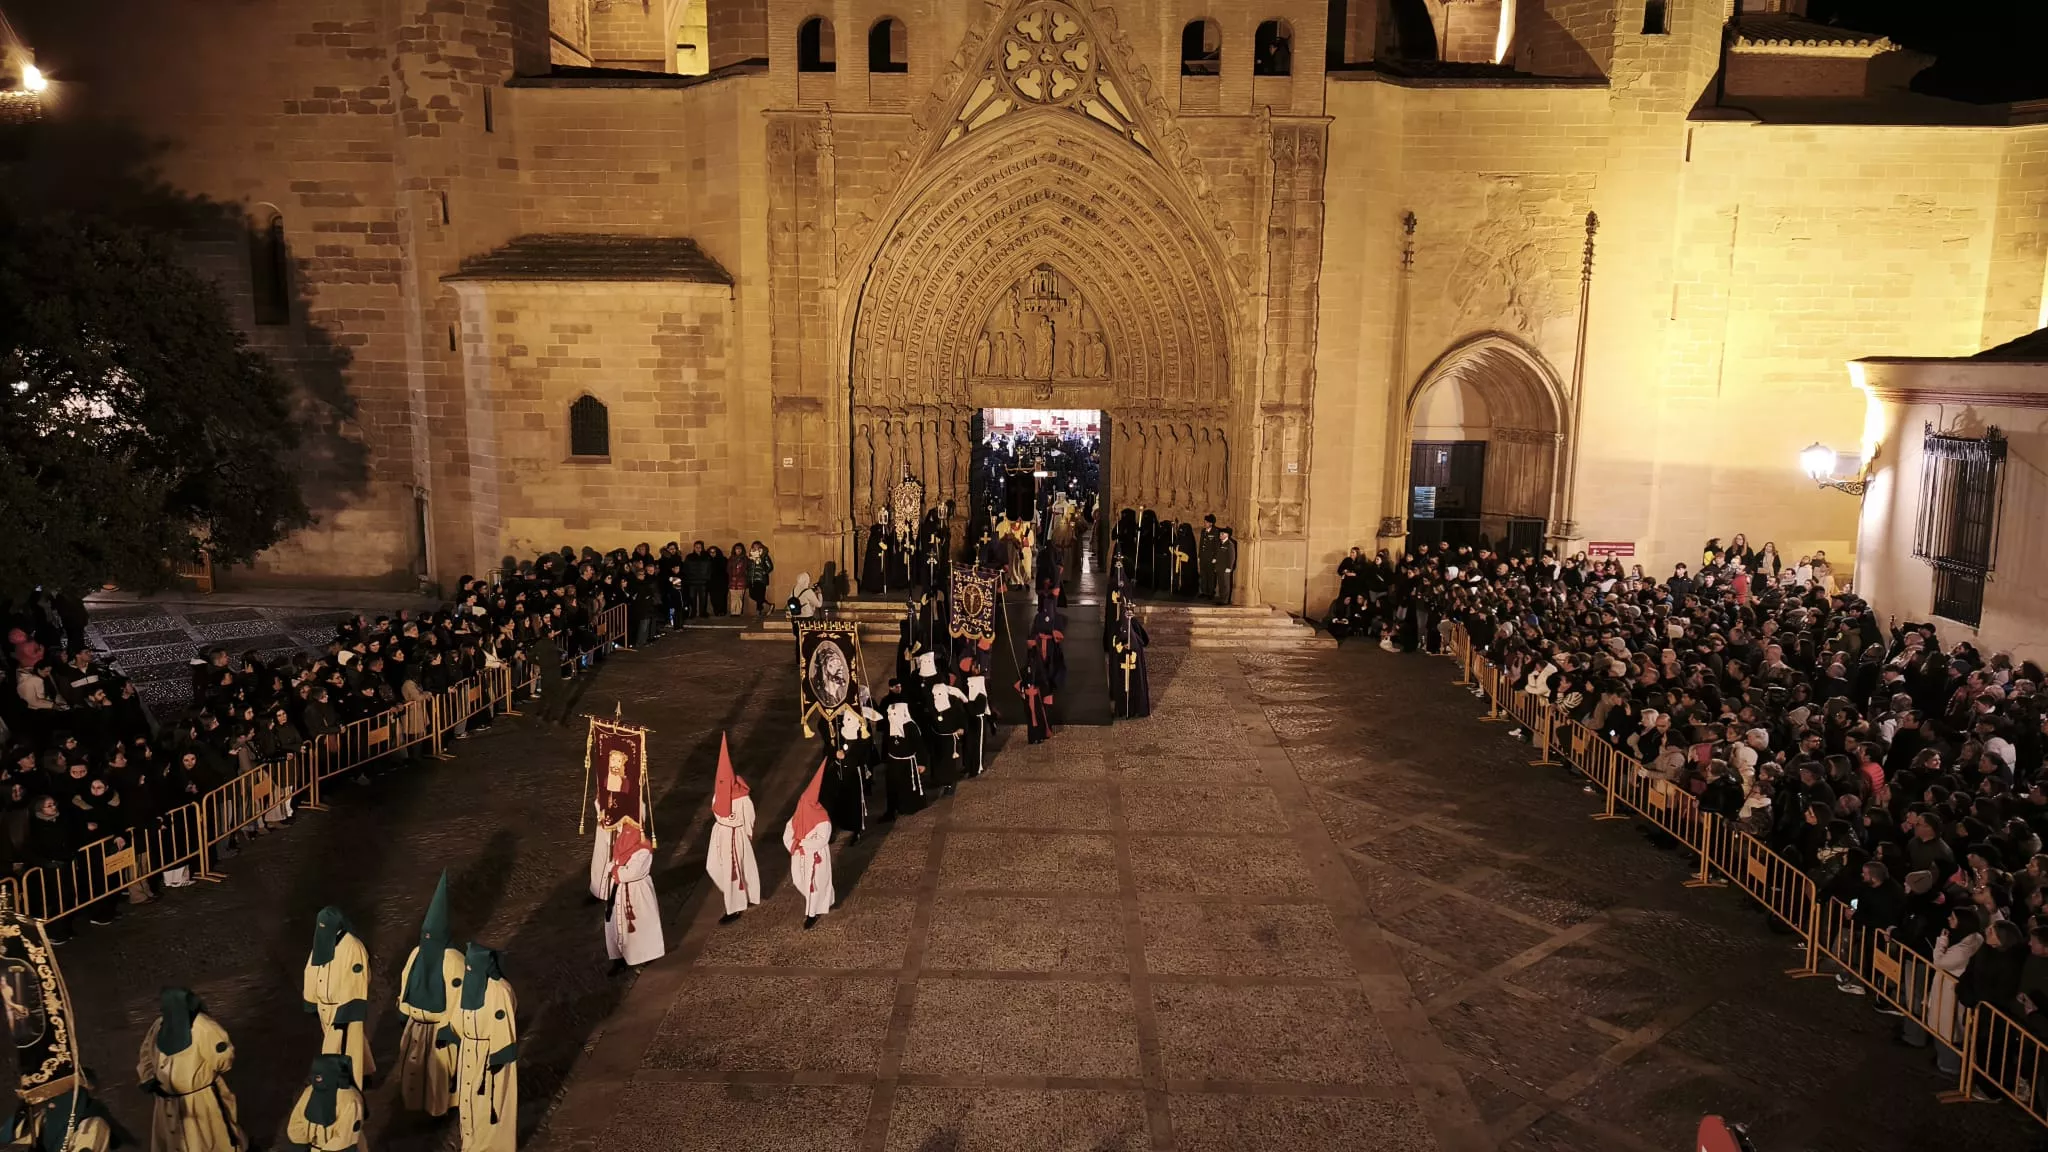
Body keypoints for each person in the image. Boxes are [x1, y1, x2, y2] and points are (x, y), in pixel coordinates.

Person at [137, 988, 243, 1152]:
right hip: (167, 1103)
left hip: (200, 1101)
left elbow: (224, 1061)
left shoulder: (205, 1027)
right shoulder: (159, 1025)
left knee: (207, 1142)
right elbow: (146, 1052)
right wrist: (148, 1077)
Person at [396, 872, 463, 1119]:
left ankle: (439, 1111)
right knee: (415, 1071)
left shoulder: (454, 960)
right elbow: (406, 979)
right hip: (416, 1025)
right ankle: (416, 1107)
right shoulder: (417, 953)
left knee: (438, 1074)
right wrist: (403, 1010)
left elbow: (458, 998)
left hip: (439, 1028)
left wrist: (450, 1029)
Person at [451, 945, 517, 1152]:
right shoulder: (469, 985)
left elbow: (504, 1026)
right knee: (469, 1103)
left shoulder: (500, 990)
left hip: (490, 1058)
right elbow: (457, 1018)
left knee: (488, 1105)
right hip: (469, 1049)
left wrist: (496, 1058)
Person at [302, 907, 373, 1089]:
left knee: (335, 1048)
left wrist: (346, 1012)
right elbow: (311, 971)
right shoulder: (322, 941)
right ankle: (364, 1072)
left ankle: (341, 1084)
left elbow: (358, 980)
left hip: (343, 1007)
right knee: (352, 1045)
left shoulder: (353, 947)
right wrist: (311, 1001)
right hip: (325, 1006)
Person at [706, 734, 761, 924]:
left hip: (735, 834)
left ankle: (734, 906)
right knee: (712, 866)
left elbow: (750, 817)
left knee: (733, 870)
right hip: (720, 832)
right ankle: (739, 893)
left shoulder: (742, 798)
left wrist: (744, 835)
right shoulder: (718, 793)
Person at [605, 818, 663, 971]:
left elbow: (630, 873)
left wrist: (614, 869)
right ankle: (619, 957)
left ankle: (646, 955)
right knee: (615, 924)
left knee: (640, 924)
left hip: (636, 892)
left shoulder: (643, 849)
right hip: (618, 890)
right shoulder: (619, 845)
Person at [783, 762, 834, 929]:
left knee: (815, 884)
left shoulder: (822, 819)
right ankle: (823, 901)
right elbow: (789, 829)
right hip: (801, 855)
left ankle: (811, 914)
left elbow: (822, 839)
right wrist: (794, 844)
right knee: (801, 881)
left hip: (815, 856)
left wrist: (802, 842)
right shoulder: (799, 815)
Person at [282, 1055, 365, 1152]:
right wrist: (300, 1144)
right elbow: (296, 1121)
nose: (317, 1078)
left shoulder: (350, 1099)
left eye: (321, 1074)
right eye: (316, 1074)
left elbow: (346, 1135)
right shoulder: (309, 1092)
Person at [879, 699, 925, 820]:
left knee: (908, 786)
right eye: (890, 714)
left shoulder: (911, 726)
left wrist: (921, 763)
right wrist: (885, 759)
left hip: (908, 762)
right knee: (892, 786)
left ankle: (909, 807)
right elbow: (886, 743)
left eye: (894, 714)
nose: (891, 717)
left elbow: (920, 745)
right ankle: (891, 811)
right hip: (893, 761)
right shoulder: (889, 725)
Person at [746, 542, 775, 616]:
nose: (755, 548)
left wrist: (764, 572)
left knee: (760, 595)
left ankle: (759, 611)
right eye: (754, 546)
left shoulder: (764, 556)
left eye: (757, 546)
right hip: (752, 579)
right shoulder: (750, 557)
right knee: (752, 595)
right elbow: (748, 567)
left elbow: (770, 566)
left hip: (761, 579)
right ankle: (769, 605)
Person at [1196, 515, 1220, 598]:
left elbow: (1217, 546)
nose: (1205, 523)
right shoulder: (1203, 531)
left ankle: (1210, 592)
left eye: (1206, 522)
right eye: (1205, 522)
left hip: (1211, 558)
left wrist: (1215, 558)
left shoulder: (1215, 531)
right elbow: (1201, 544)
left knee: (1211, 575)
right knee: (1203, 574)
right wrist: (1199, 556)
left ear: (1211, 523)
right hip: (1203, 557)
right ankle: (1203, 591)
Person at [1214, 526, 1238, 605]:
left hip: (1225, 568)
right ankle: (1221, 599)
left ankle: (1225, 600)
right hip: (1219, 567)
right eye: (1220, 533)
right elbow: (1218, 554)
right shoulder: (1220, 543)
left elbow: (1232, 557)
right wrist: (1215, 560)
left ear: (1227, 535)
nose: (1220, 535)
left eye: (1222, 533)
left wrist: (1229, 567)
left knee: (1225, 584)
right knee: (1220, 584)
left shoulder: (1230, 544)